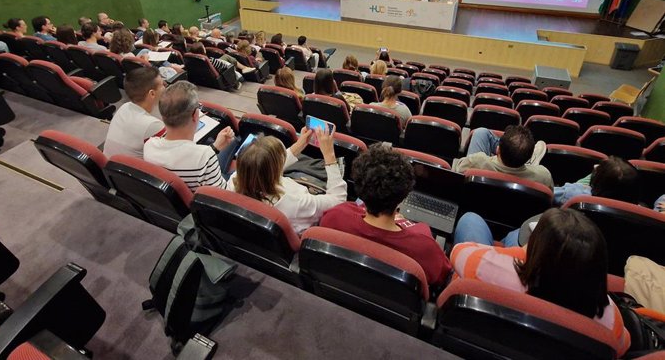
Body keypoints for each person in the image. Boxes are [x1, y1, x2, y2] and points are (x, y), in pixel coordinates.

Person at [450, 208, 630, 357]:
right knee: (514, 235)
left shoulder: (489, 270)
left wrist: (525, 252)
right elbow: (623, 344)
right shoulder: (611, 319)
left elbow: (458, 252)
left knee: (470, 220)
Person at [321, 144, 451, 286]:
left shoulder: (336, 215)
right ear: (403, 197)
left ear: (358, 187)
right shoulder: (425, 246)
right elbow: (442, 276)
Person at [453, 156, 640, 248]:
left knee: (471, 220)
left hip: (542, 247)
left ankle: (499, 249)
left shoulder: (575, 195)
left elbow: (549, 193)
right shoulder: (639, 217)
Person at [228, 127, 347, 234]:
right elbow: (338, 200)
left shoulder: (236, 178)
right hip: (300, 233)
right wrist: (329, 155)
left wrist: (300, 144)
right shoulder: (295, 201)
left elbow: (264, 166)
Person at [144, 82, 237, 190]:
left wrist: (215, 147)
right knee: (236, 144)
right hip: (208, 194)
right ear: (195, 115)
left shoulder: (149, 145)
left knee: (233, 142)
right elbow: (223, 195)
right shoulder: (205, 156)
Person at [452, 126, 553, 188]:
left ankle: (508, 146)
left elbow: (458, 169)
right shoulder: (544, 176)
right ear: (529, 156)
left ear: (497, 150)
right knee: (482, 132)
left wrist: (490, 159)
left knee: (481, 132)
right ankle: (526, 158)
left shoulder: (477, 161)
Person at [103, 68, 165, 158]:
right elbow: (168, 156)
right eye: (162, 85)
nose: (165, 88)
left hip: (111, 166)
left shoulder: (123, 107)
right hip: (132, 170)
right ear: (152, 94)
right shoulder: (153, 125)